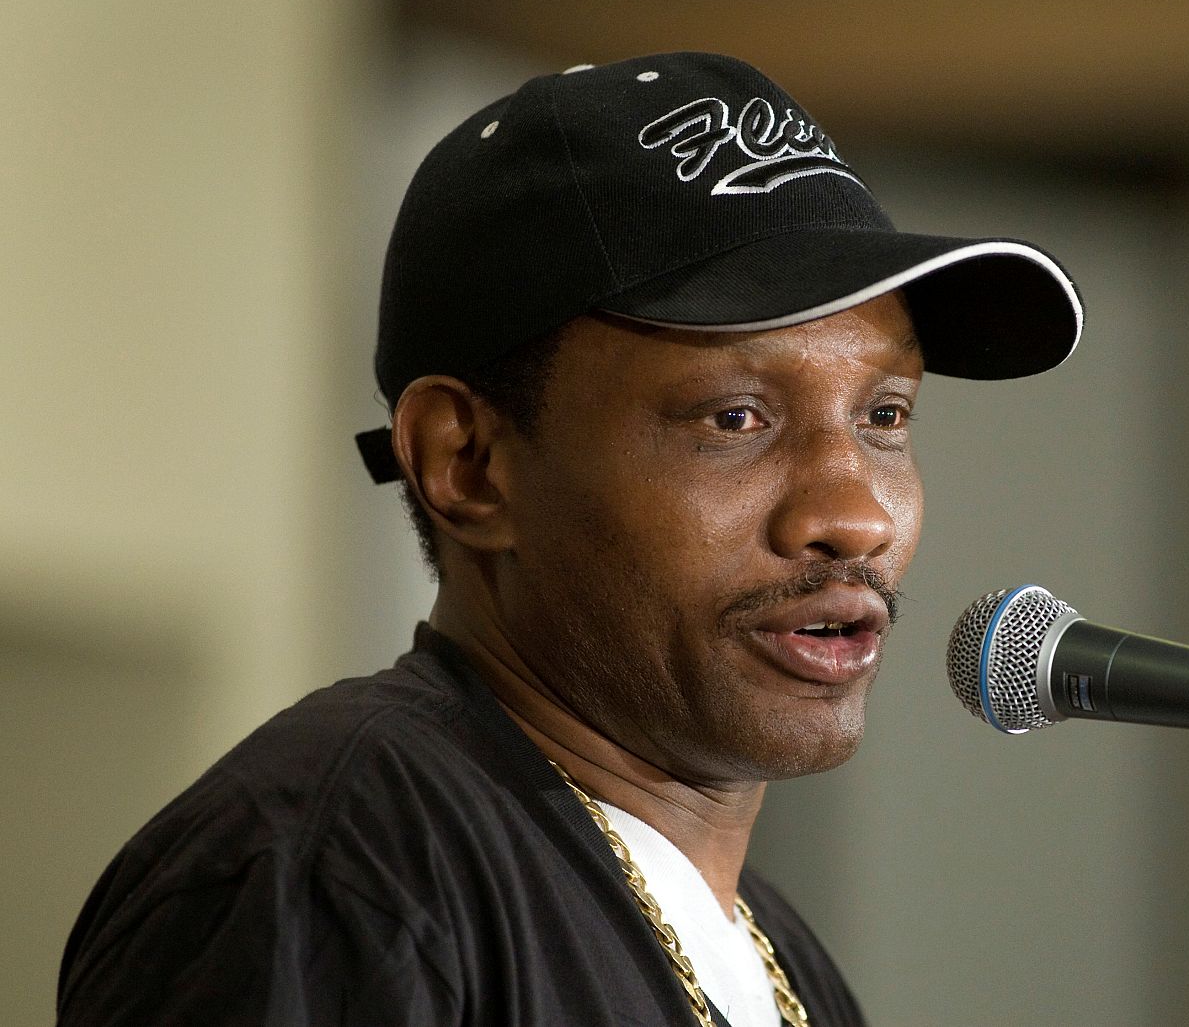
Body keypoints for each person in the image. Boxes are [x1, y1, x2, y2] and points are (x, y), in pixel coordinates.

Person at [56, 51, 1083, 1026]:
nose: (852, 514)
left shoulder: (779, 957)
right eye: (734, 418)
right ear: (468, 462)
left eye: (884, 415)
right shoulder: (342, 866)